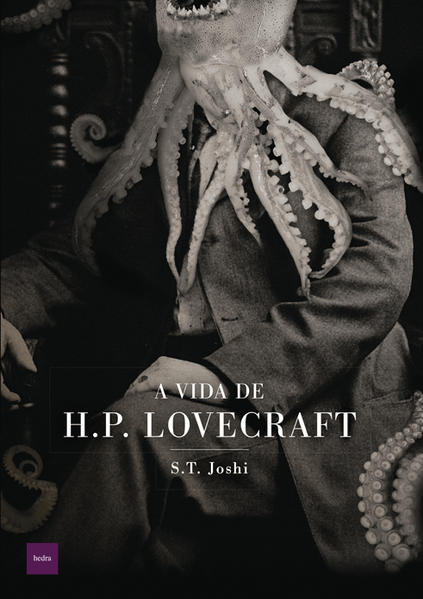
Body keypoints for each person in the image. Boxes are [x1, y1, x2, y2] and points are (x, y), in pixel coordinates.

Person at [1, 0, 421, 578]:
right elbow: (72, 255)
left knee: (138, 431)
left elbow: (376, 282)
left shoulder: (346, 120)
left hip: (319, 413)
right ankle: (39, 568)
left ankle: (35, 574)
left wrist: (225, 377)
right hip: (185, 405)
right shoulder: (157, 136)